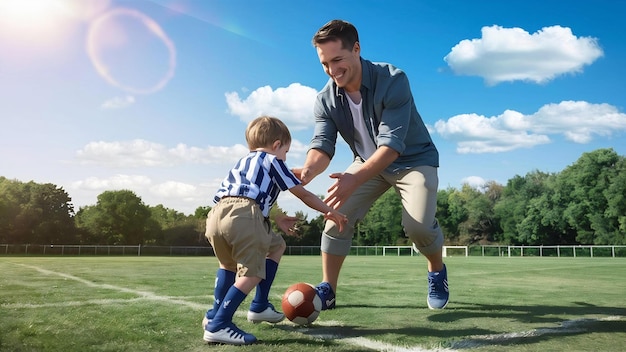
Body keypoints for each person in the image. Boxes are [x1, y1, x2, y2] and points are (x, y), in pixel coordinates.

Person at [293, 19, 449, 312]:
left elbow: (391, 146)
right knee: (334, 216)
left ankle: (436, 271)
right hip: (365, 162)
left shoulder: (393, 80)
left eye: (337, 60)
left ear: (356, 49)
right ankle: (328, 290)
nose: (332, 70)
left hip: (413, 161)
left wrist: (354, 179)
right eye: (325, 63)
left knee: (417, 227)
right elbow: (322, 145)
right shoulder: (325, 99)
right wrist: (308, 170)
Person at [202, 116, 348, 345]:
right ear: (277, 145)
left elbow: (243, 195)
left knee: (266, 250)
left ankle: (244, 308)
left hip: (216, 215)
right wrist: (329, 211)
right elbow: (304, 194)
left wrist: (275, 217)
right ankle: (219, 324)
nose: (285, 158)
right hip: (246, 216)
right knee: (251, 273)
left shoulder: (242, 162)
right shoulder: (272, 160)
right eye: (286, 152)